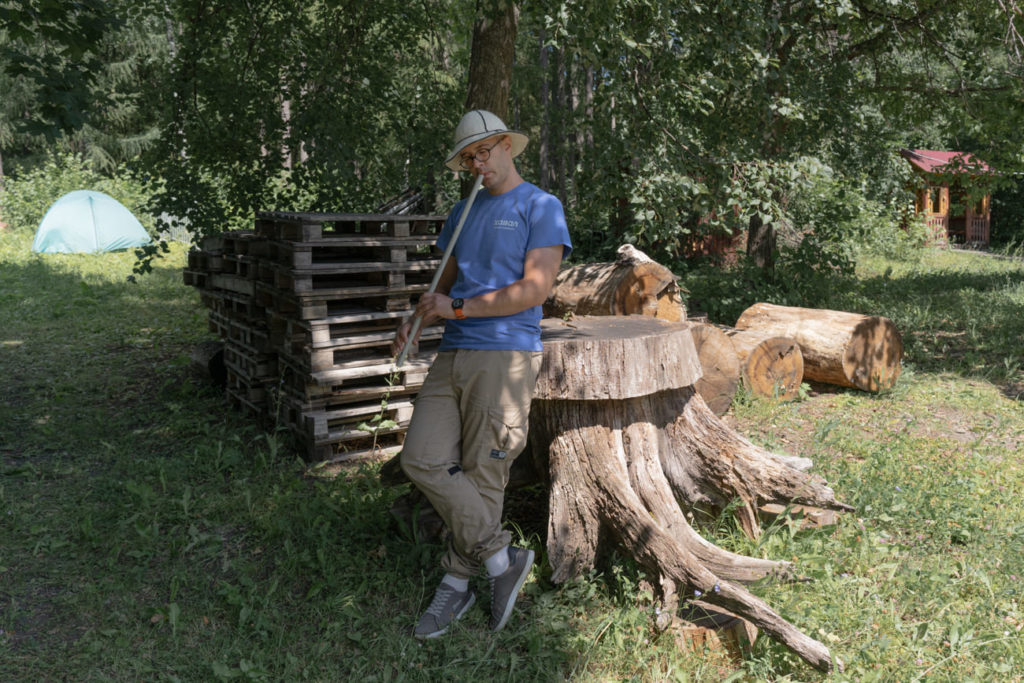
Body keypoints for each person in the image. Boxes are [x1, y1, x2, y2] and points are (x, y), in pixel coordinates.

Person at [391, 109, 572, 639]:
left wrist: (460, 309)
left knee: (483, 474)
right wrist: (414, 319)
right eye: (468, 158)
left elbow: (534, 290)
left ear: (506, 146)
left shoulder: (541, 206)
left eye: (484, 152)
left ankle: (454, 585)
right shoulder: (461, 211)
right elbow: (441, 285)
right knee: (421, 457)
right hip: (453, 353)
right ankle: (500, 560)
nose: (477, 164)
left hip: (506, 355)